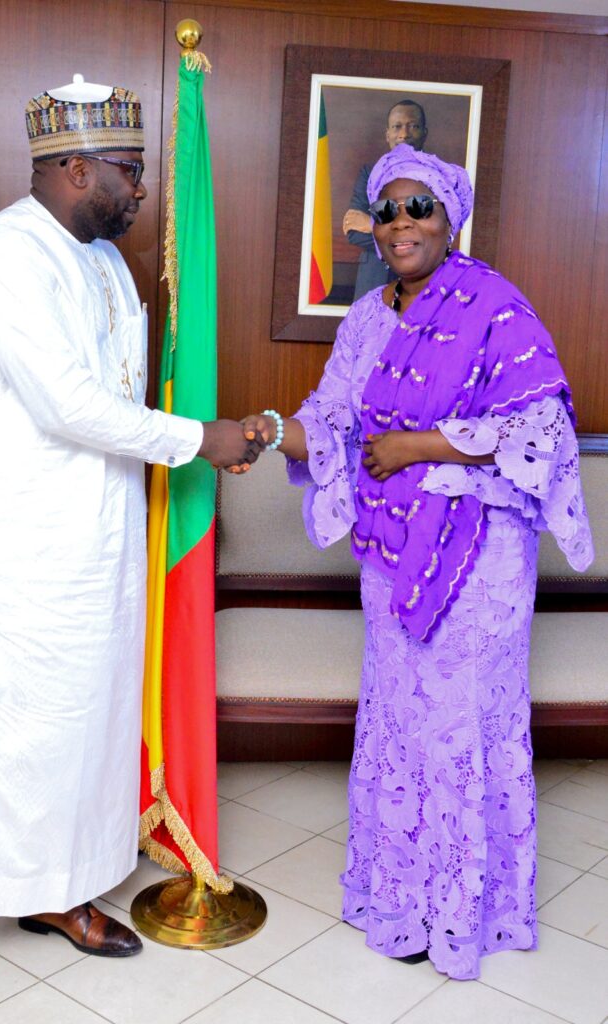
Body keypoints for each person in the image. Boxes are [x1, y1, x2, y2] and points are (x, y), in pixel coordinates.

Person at [0, 76, 259, 1010]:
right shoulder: (1, 258)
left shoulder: (104, 262)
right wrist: (201, 438)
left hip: (96, 536)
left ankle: (56, 891)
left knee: (78, 719)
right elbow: (68, 405)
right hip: (7, 540)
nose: (140, 189)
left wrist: (184, 440)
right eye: (128, 171)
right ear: (74, 168)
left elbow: (114, 396)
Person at [242, 143, 593, 980]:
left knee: (459, 725)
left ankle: (466, 915)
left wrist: (417, 445)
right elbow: (331, 420)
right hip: (392, 554)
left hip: (480, 559)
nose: (401, 223)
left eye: (418, 207)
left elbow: (542, 428)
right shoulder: (366, 320)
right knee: (400, 725)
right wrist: (265, 431)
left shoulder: (494, 306)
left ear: (449, 219)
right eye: (386, 210)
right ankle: (400, 905)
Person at [343, 100, 427, 301]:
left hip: (420, 283)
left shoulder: (438, 177)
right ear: (387, 134)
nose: (404, 134)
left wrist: (371, 224)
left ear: (424, 133)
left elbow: (432, 238)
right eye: (397, 126)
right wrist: (409, 238)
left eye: (413, 126)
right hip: (372, 281)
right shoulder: (369, 174)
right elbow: (354, 232)